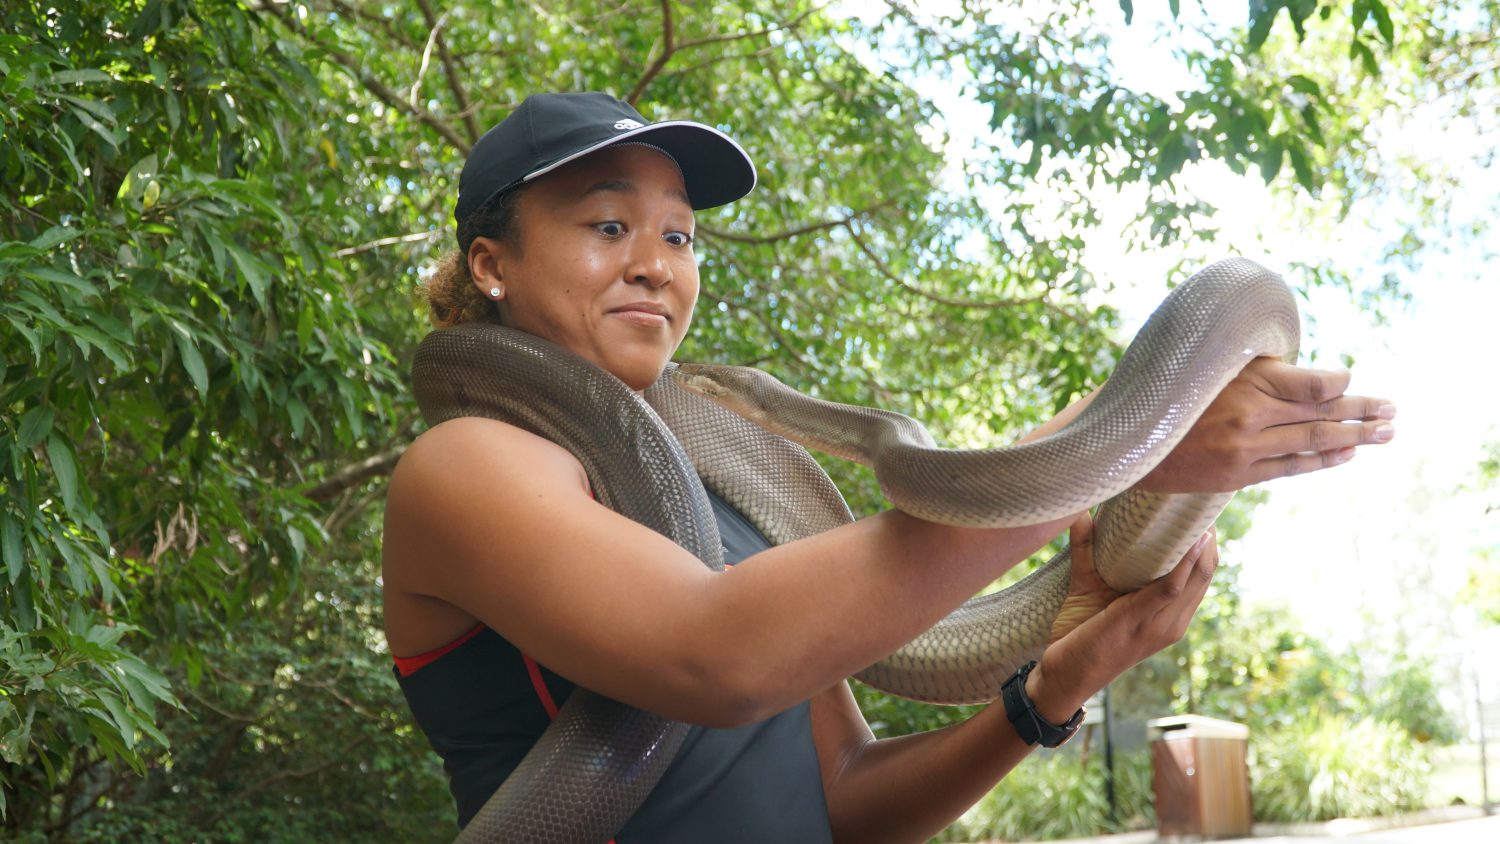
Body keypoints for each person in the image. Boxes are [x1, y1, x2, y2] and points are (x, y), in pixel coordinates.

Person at [381, 92, 1397, 843]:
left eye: (681, 235)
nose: (657, 261)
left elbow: (845, 799)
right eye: (608, 225)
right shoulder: (466, 464)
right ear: (491, 264)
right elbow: (717, 657)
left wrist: (1045, 692)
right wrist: (1124, 434)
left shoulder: (733, 492)